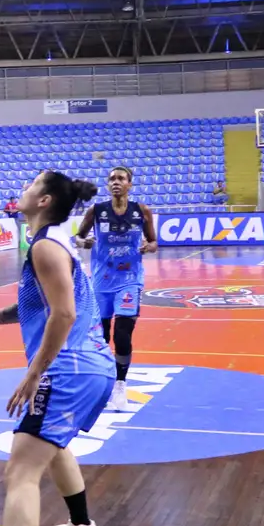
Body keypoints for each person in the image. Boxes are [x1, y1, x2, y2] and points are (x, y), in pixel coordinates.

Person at [0, 170, 113, 526]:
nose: (23, 188)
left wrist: (34, 373)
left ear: (44, 201)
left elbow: (65, 314)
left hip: (68, 368)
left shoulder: (46, 247)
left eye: (31, 186)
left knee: (20, 472)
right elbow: (37, 305)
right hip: (91, 366)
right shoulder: (52, 241)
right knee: (52, 445)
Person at [74, 167, 157, 410]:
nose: (116, 182)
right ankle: (102, 381)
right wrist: (84, 242)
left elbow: (154, 241)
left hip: (129, 279)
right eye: (111, 179)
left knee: (122, 333)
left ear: (130, 184)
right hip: (101, 282)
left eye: (121, 178)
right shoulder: (96, 210)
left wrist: (148, 247)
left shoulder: (141, 211)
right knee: (101, 337)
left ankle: (120, 385)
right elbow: (78, 237)